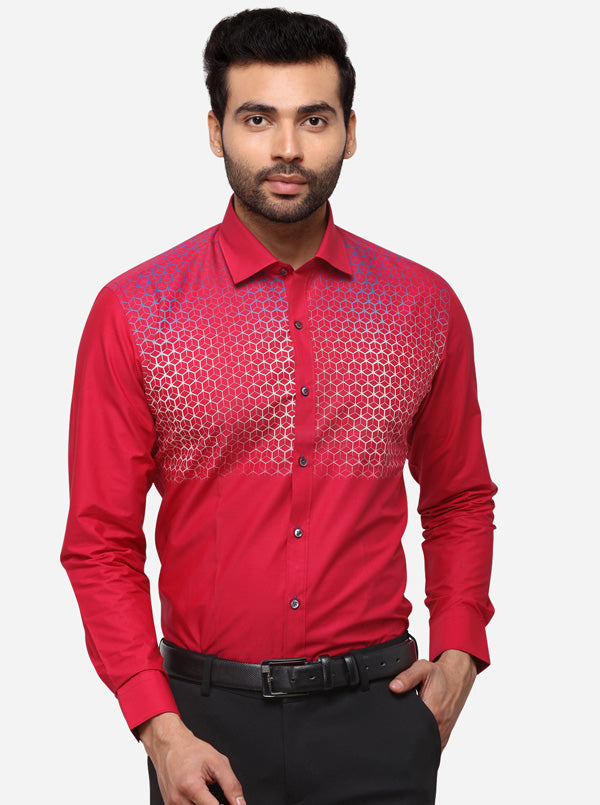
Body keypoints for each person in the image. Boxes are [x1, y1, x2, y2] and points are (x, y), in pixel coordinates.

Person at [61, 8, 496, 805]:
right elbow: (100, 542)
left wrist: (461, 649)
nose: (287, 147)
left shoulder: (422, 307)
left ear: (351, 132)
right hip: (201, 728)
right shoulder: (136, 311)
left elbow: (460, 496)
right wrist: (160, 728)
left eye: (314, 119)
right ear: (216, 130)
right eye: (258, 118)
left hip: (380, 712)